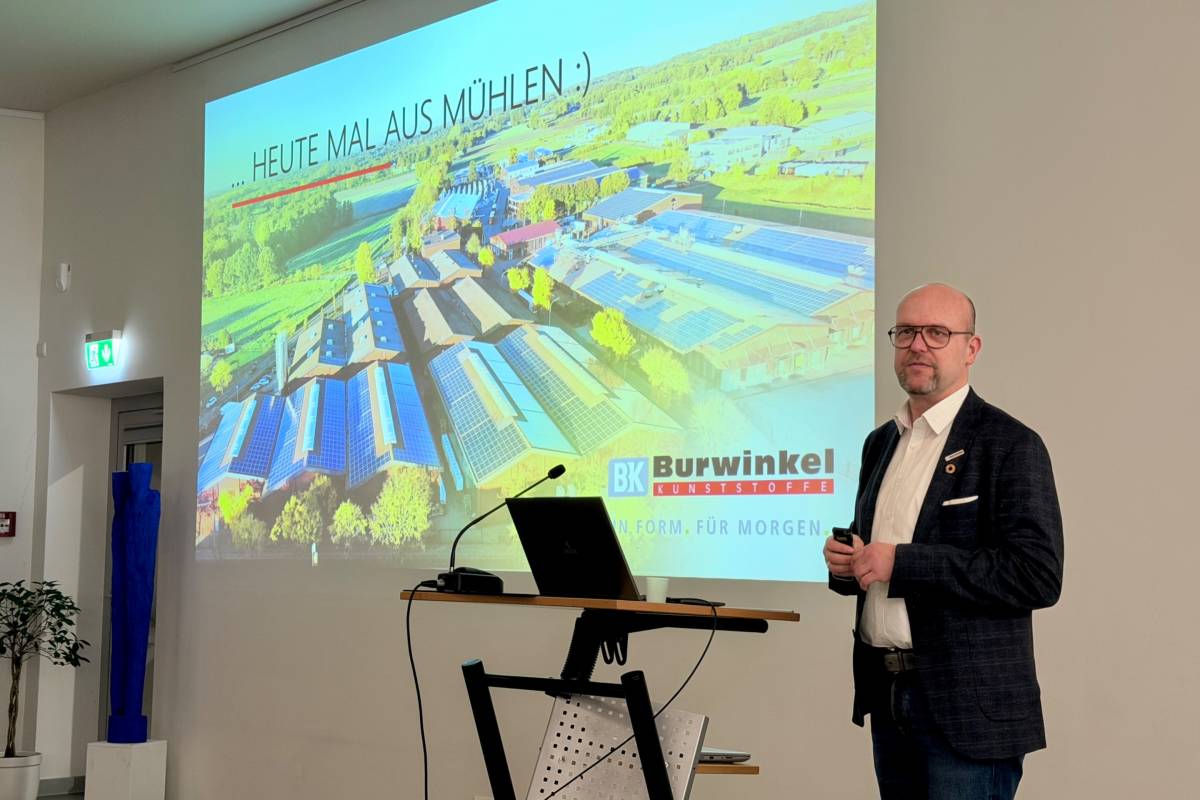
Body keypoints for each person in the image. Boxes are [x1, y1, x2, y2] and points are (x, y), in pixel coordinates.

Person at [824, 283, 1063, 799]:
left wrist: (902, 563)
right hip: (889, 694)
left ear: (970, 348)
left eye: (937, 333)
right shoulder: (880, 443)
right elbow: (878, 559)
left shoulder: (1010, 444)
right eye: (906, 332)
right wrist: (848, 565)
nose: (918, 345)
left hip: (968, 709)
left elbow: (1037, 576)